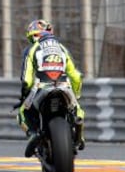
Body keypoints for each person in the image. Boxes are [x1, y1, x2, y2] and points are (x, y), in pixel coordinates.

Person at [17, 19, 85, 158]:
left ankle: (33, 134)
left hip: (41, 86)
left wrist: (24, 94)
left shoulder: (32, 49)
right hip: (64, 86)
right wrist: (76, 95)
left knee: (22, 113)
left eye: (34, 36)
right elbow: (76, 76)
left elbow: (26, 79)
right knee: (77, 110)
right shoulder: (62, 48)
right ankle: (79, 135)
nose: (34, 39)